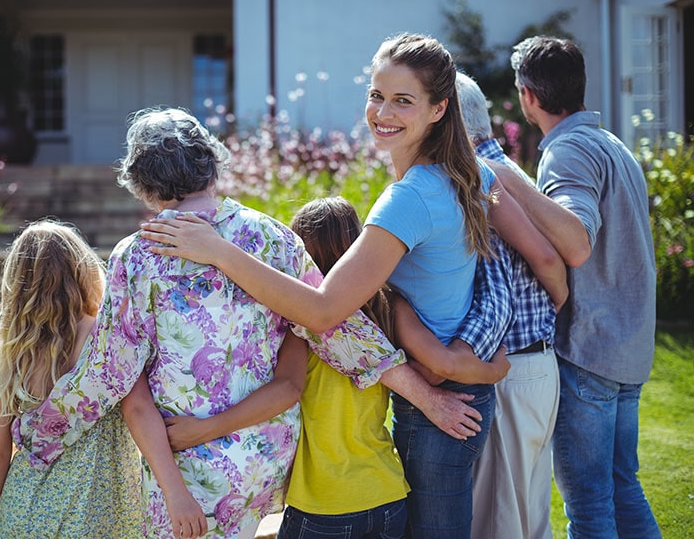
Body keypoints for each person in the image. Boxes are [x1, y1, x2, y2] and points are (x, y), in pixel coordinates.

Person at [141, 34, 566, 539]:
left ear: (439, 109)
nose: (382, 112)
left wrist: (219, 251)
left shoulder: (410, 198)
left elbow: (323, 311)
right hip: (452, 387)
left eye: (403, 100)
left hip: (441, 403)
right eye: (376, 95)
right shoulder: (463, 172)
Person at [10, 108, 489, 539]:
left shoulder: (138, 257)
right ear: (211, 165)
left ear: (142, 183)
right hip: (263, 459)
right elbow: (336, 328)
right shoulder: (271, 236)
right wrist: (427, 397)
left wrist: (39, 435)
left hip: (187, 466)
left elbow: (109, 372)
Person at [161, 196, 511, 539]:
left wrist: (205, 428)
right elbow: (434, 369)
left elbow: (286, 389)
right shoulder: (389, 305)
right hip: (387, 492)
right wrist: (493, 370)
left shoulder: (300, 323)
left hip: (323, 502)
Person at [492, 36, 660, 539]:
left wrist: (505, 176)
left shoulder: (567, 151)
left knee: (589, 505)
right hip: (627, 352)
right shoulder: (613, 145)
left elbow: (578, 241)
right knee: (621, 488)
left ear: (528, 96)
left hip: (590, 354)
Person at [0, 220, 204, 538]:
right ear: (82, 270)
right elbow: (139, 410)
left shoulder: (15, 353)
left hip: (20, 513)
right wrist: (175, 493)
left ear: (16, 283)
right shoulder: (106, 339)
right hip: (96, 517)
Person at [455, 72, 562, 539]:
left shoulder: (482, 172)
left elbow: (543, 255)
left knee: (501, 520)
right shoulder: (506, 166)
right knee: (526, 512)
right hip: (532, 362)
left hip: (513, 366)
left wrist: (558, 303)